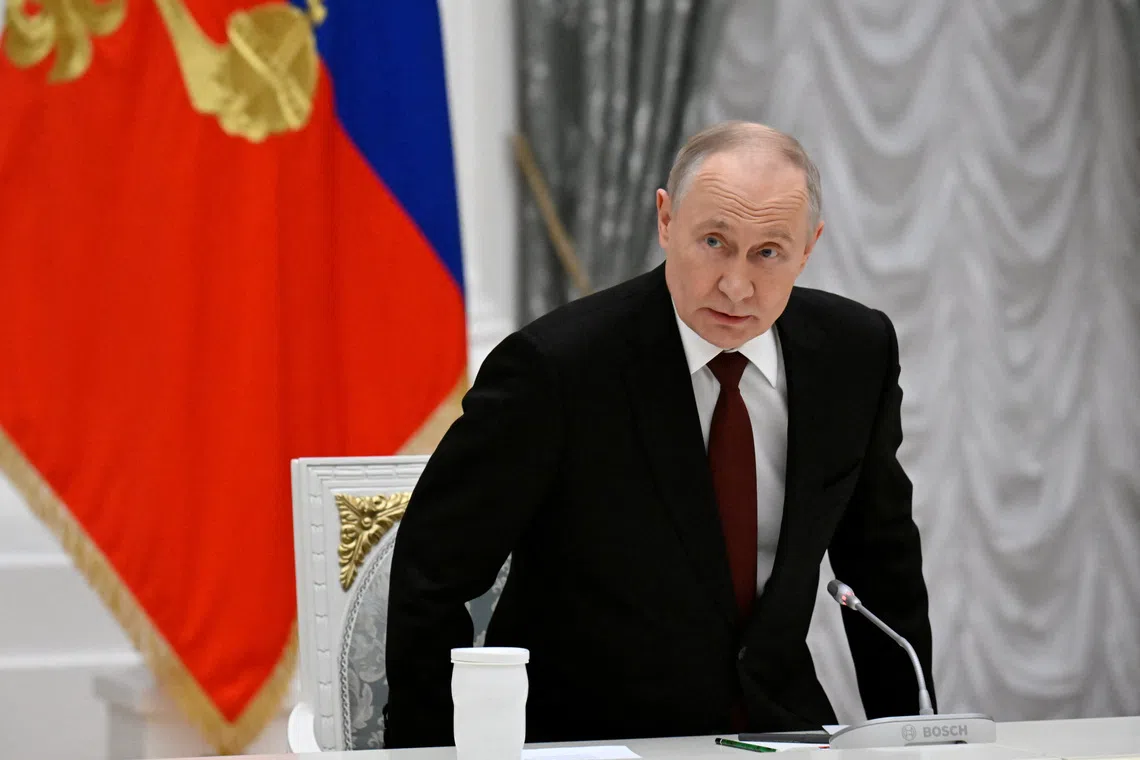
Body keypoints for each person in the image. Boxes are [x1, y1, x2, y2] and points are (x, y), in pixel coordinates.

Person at [383, 121, 935, 748]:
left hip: (783, 730)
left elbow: (882, 563)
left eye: (768, 253)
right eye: (714, 241)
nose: (735, 285)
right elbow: (433, 577)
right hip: (588, 738)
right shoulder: (556, 368)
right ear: (666, 221)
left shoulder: (853, 354)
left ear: (809, 248)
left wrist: (914, 735)